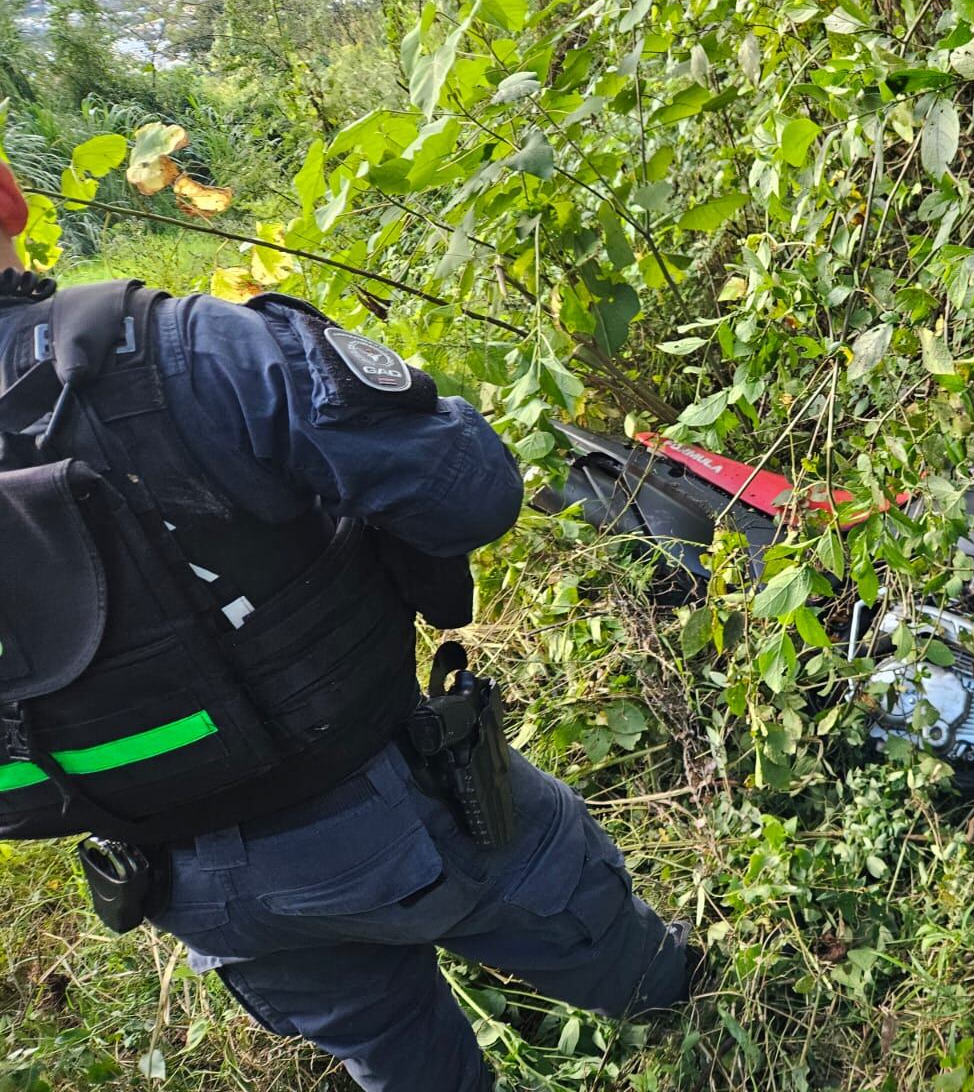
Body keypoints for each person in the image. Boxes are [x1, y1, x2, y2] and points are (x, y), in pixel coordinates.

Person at [0, 161, 691, 1092]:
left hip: (181, 879)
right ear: (12, 205)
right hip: (385, 801)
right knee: (585, 922)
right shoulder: (170, 349)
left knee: (393, 1054)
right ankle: (712, 1023)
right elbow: (472, 493)